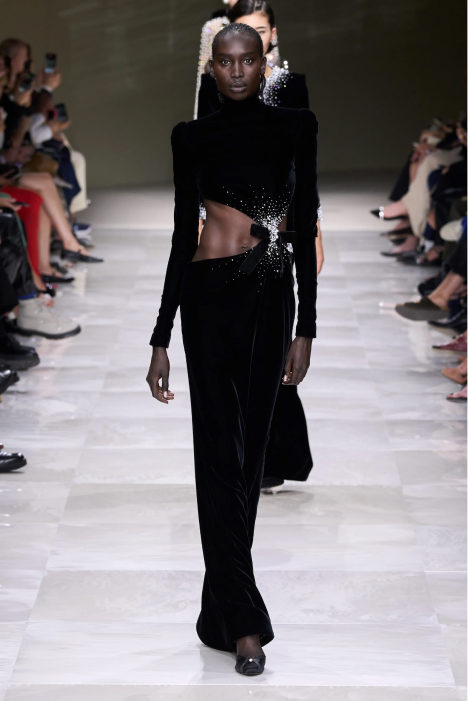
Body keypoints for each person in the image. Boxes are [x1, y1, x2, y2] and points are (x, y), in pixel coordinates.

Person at [147, 24, 318, 675]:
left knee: (249, 464)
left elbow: (304, 222)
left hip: (270, 295)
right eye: (226, 61)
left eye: (249, 60)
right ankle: (246, 625)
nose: (238, 70)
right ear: (211, 69)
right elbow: (180, 235)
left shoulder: (295, 127)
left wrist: (306, 327)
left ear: (264, 64)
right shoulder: (190, 137)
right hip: (210, 299)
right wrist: (161, 335)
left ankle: (217, 608)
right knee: (218, 455)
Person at [199, 0, 324, 492]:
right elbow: (206, 157)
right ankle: (251, 457)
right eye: (242, 28)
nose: (253, 35)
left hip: (280, 219)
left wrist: (312, 226)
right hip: (229, 227)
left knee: (271, 346)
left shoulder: (292, 85)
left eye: (260, 29)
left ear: (273, 35)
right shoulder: (214, 83)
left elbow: (303, 165)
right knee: (239, 350)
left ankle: (272, 455)